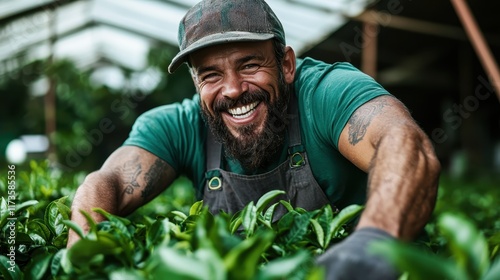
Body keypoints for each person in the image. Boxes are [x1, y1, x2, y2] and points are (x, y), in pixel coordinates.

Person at [68, 0, 441, 279]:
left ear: (286, 65)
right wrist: (84, 253)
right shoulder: (178, 126)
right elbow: (108, 183)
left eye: (249, 64)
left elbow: (404, 143)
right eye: (210, 75)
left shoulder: (325, 93)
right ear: (196, 84)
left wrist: (371, 246)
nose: (233, 90)